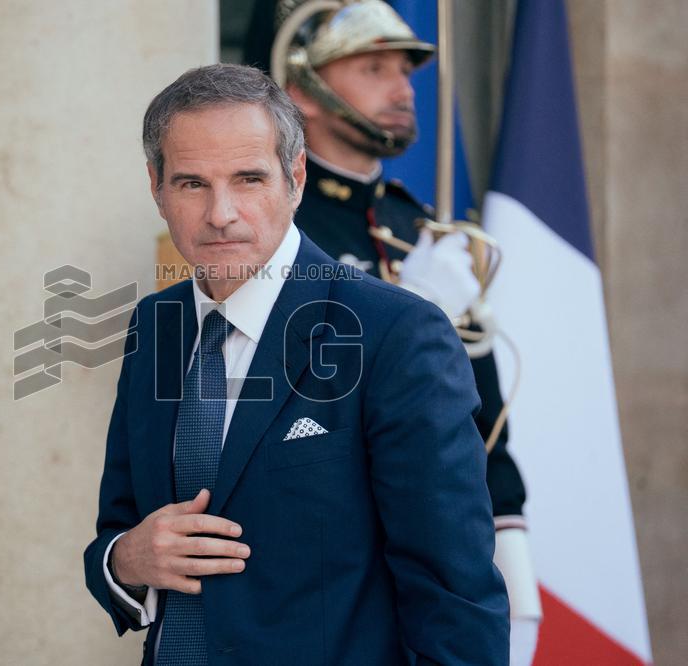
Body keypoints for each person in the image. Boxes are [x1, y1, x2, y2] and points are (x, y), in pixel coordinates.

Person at [84, 63, 508, 665]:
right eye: (191, 184)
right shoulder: (155, 326)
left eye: (249, 179)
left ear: (296, 176)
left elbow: (454, 594)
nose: (221, 213)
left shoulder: (395, 334)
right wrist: (123, 559)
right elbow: (119, 529)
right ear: (156, 187)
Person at [246, 3, 542, 663]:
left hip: (438, 552)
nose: (404, 86)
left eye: (405, 68)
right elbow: (259, 391)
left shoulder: (423, 227)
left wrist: (508, 532)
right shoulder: (265, 228)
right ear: (304, 92)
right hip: (316, 561)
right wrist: (410, 311)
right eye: (374, 67)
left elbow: (479, 409)